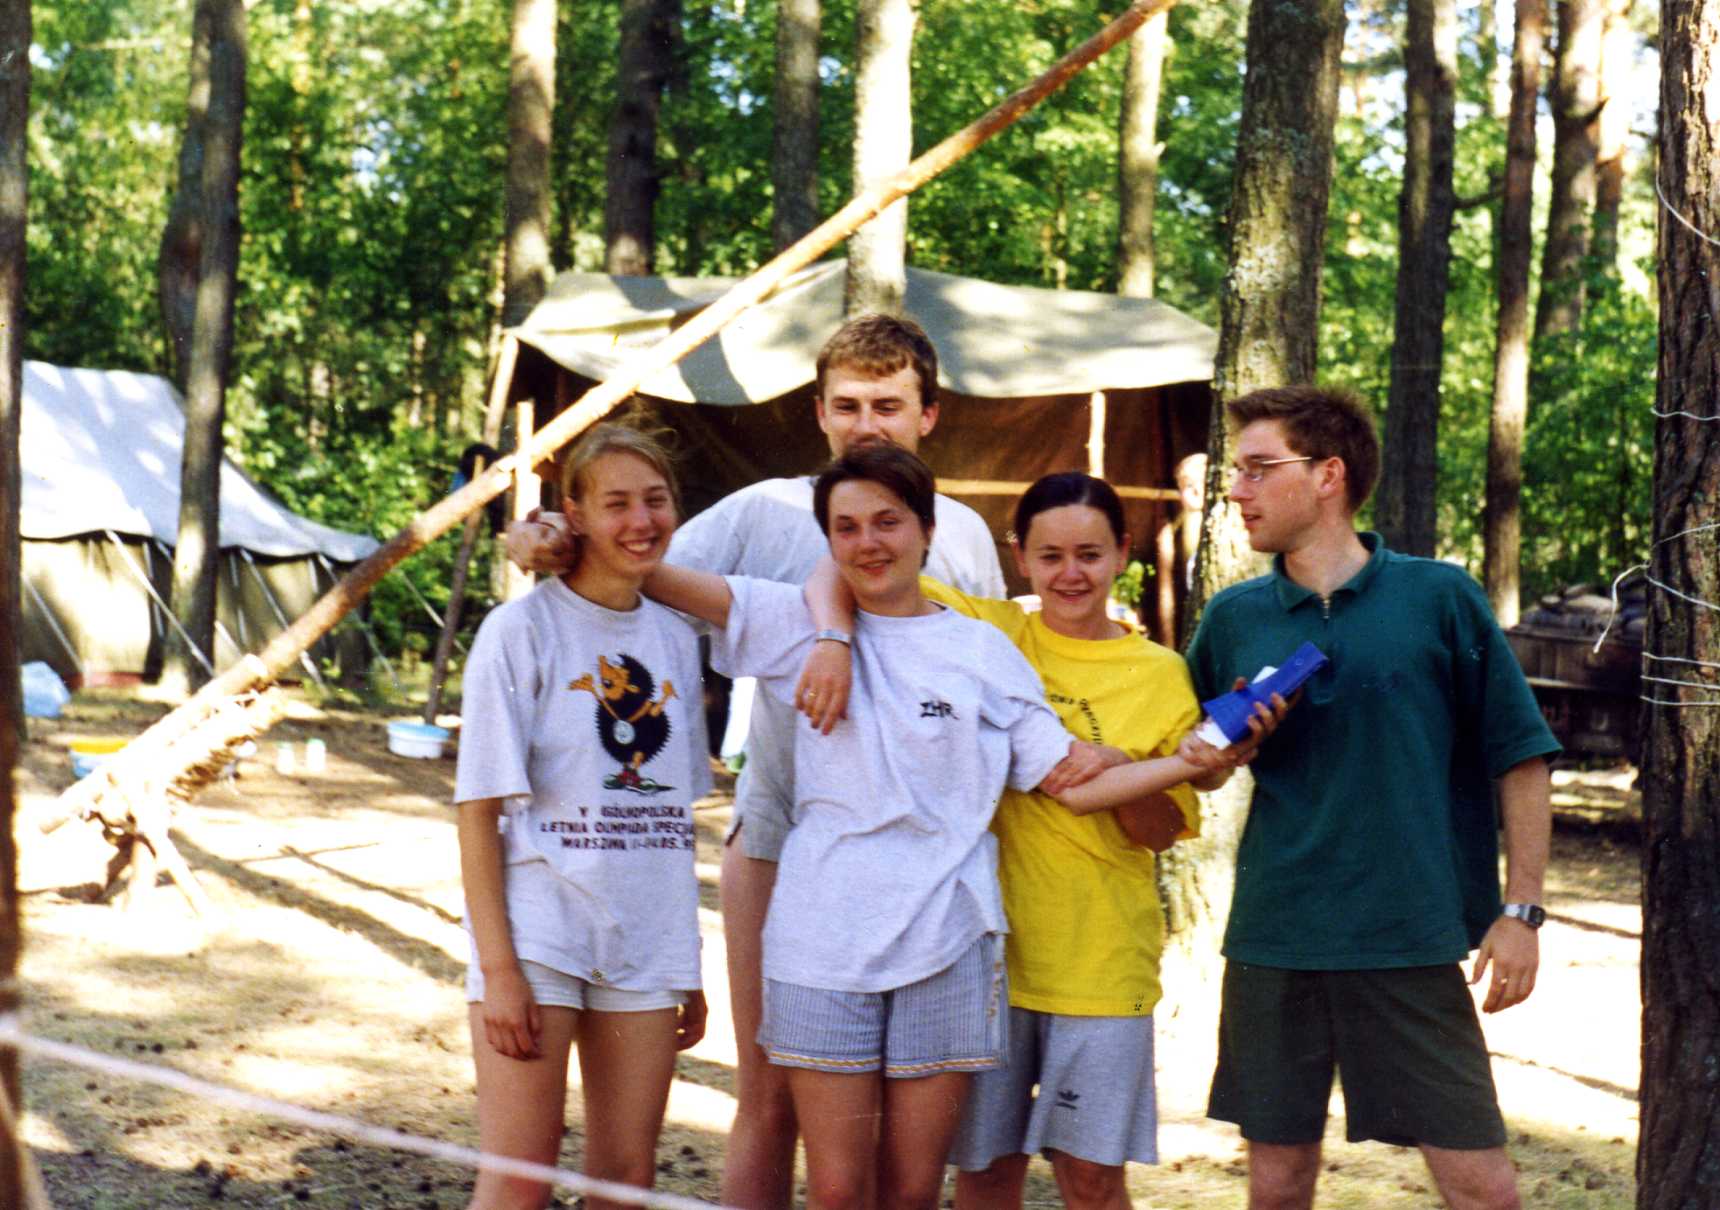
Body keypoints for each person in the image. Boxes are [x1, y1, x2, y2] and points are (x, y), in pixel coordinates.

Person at [506, 314, 1005, 1209]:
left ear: (928, 414)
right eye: (847, 406)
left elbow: (989, 697)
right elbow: (628, 563)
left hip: (927, 864)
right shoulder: (763, 511)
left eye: (887, 406)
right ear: (818, 411)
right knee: (771, 1094)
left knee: (899, 1129)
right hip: (780, 836)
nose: (867, 425)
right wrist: (546, 535)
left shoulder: (961, 536)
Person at [639, 444, 1219, 1210]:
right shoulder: (794, 624)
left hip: (946, 948)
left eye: (888, 522)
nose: (868, 543)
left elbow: (1073, 786)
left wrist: (1187, 761)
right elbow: (650, 575)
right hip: (821, 951)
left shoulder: (982, 649)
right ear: (828, 540)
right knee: (838, 1191)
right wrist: (560, 536)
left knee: (912, 1191)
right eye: (846, 528)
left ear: (926, 529)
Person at [1178, 385, 1560, 1210]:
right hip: (1276, 938)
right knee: (1277, 1187)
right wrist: (1223, 754)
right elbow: (1195, 768)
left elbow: (1522, 755)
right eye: (1235, 472)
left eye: (1257, 469)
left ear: (1328, 475)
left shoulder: (1439, 598)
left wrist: (1521, 910)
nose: (1236, 490)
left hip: (1408, 939)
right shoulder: (1233, 618)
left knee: (1483, 1191)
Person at [888, 472, 1238, 1210]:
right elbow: (868, 573)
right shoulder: (987, 633)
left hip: (1101, 960)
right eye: (1050, 556)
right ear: (1019, 556)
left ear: (1123, 553)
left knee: (1090, 1178)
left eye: (1089, 554)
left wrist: (1120, 764)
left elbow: (1160, 833)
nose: (1070, 574)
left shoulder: (1160, 673)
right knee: (985, 1172)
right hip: (985, 957)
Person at [455, 423, 710, 1210]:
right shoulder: (520, 632)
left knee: (626, 1177)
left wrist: (686, 961)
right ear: (574, 514)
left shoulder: (676, 637)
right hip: (541, 934)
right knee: (521, 1173)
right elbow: (477, 812)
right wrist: (500, 970)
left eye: (655, 501)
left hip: (645, 942)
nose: (640, 521)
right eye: (617, 503)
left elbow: (671, 818)